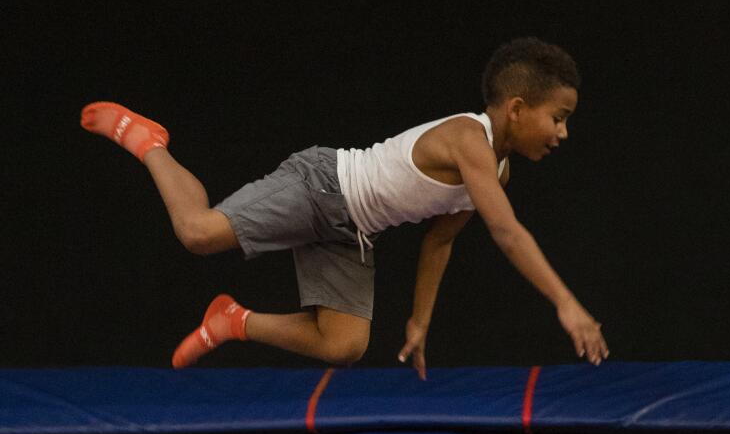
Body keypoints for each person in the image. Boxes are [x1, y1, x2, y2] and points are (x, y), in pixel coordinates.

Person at [81, 37, 609, 376]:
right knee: (198, 233)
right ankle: (148, 142)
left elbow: (441, 239)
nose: (562, 133)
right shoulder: (470, 139)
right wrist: (565, 302)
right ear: (517, 109)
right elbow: (508, 233)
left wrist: (420, 321)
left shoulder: (497, 168)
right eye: (558, 117)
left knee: (344, 346)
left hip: (352, 230)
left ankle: (233, 321)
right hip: (322, 184)